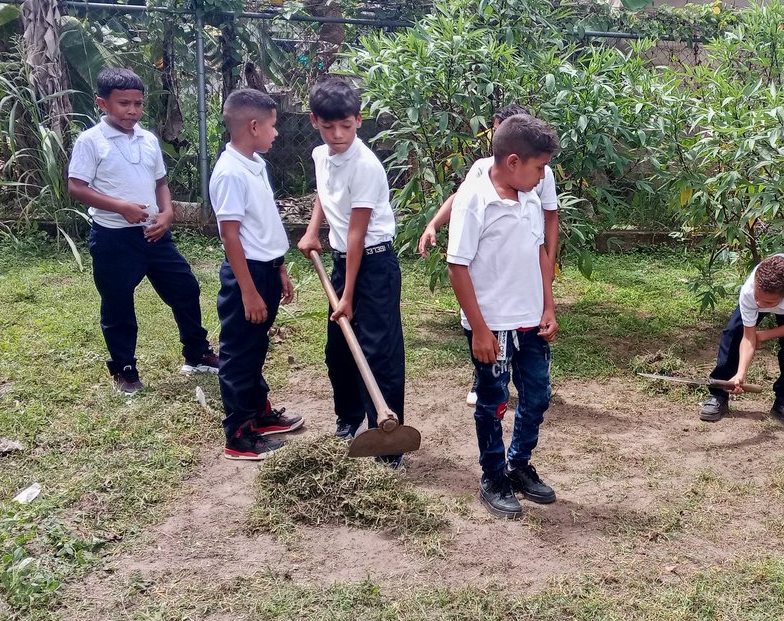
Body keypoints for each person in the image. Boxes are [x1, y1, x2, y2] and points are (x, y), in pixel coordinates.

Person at [68, 67, 218, 395]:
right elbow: (77, 187)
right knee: (118, 302)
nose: (132, 110)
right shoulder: (91, 141)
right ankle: (124, 368)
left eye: (138, 103)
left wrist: (166, 214)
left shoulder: (148, 140)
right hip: (114, 237)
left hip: (154, 233)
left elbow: (160, 183)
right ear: (102, 103)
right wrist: (120, 206)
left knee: (185, 287)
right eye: (124, 103)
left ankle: (197, 353)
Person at [447, 114, 560, 520]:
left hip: (532, 321)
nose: (542, 176)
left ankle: (518, 464)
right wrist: (479, 329)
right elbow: (457, 267)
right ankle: (493, 475)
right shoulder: (474, 200)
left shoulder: (529, 197)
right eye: (539, 167)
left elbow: (539, 254)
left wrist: (548, 305)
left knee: (538, 396)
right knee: (493, 402)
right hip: (492, 325)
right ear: (513, 161)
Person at [418, 103, 560, 407]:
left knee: (533, 393)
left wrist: (547, 287)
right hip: (491, 310)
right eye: (496, 130)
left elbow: (548, 221)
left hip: (526, 304)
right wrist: (434, 223)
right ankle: (484, 379)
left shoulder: (536, 181)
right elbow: (458, 201)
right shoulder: (482, 174)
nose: (495, 135)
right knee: (491, 386)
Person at [297, 78, 406, 467]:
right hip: (344, 262)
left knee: (379, 352)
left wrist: (346, 296)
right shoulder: (320, 155)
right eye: (329, 127)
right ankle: (349, 418)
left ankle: (389, 444)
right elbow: (324, 196)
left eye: (346, 125)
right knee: (338, 350)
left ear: (359, 120)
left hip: (374, 264)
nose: (338, 135)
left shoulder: (366, 167)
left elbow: (358, 233)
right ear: (314, 121)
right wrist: (313, 230)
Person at [209, 89, 303, 461]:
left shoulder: (255, 163)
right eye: (272, 126)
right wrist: (248, 292)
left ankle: (260, 414)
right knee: (238, 354)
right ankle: (239, 434)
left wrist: (279, 267)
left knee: (256, 347)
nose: (276, 133)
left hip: (265, 270)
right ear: (253, 126)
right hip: (245, 277)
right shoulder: (230, 173)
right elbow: (229, 235)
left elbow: (264, 224)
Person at [699, 253, 784, 430]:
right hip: (768, 293)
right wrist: (741, 374)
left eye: (767, 302)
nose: (759, 303)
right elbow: (748, 336)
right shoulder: (751, 290)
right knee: (733, 333)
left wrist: (763, 335)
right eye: (757, 296)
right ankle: (719, 394)